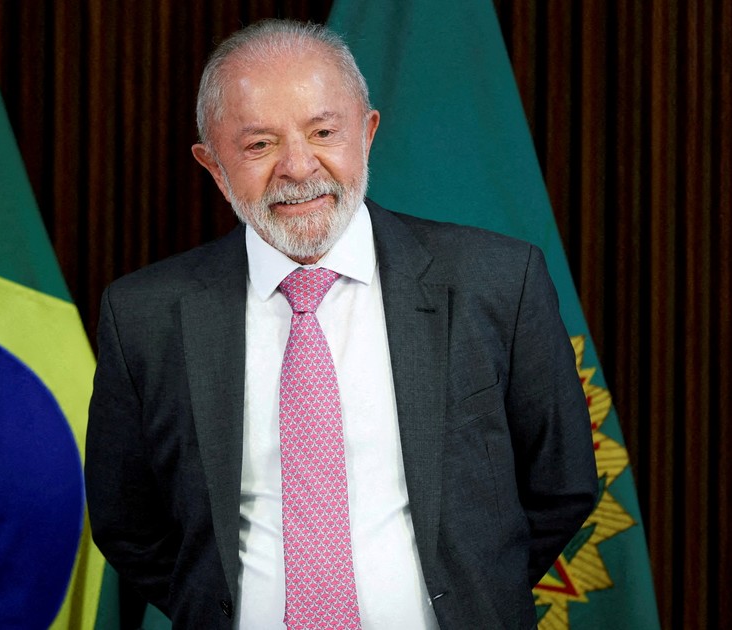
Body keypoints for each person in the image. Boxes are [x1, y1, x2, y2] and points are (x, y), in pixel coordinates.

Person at [85, 18, 598, 630]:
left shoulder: (497, 282)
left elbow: (562, 485)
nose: (299, 167)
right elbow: (128, 524)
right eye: (259, 145)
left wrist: (476, 595)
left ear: (367, 133)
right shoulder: (143, 317)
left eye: (324, 132)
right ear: (214, 165)